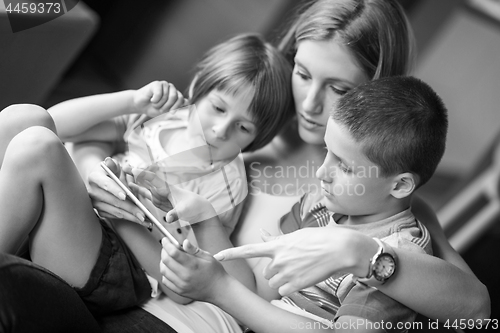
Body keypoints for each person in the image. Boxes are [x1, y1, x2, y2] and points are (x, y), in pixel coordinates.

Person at [0, 33, 292, 315]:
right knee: (24, 119)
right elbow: (56, 122)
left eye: (243, 127)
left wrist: (123, 213)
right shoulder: (166, 118)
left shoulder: (226, 186)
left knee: (37, 147)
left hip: (114, 262)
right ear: (198, 87)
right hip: (80, 215)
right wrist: (130, 101)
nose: (221, 129)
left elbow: (181, 281)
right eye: (218, 108)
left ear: (258, 138)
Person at [159, 75, 448, 332]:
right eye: (327, 151)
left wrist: (219, 289)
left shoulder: (393, 261)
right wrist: (206, 220)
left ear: (399, 185)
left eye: (345, 167)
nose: (322, 173)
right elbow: (261, 292)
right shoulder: (320, 205)